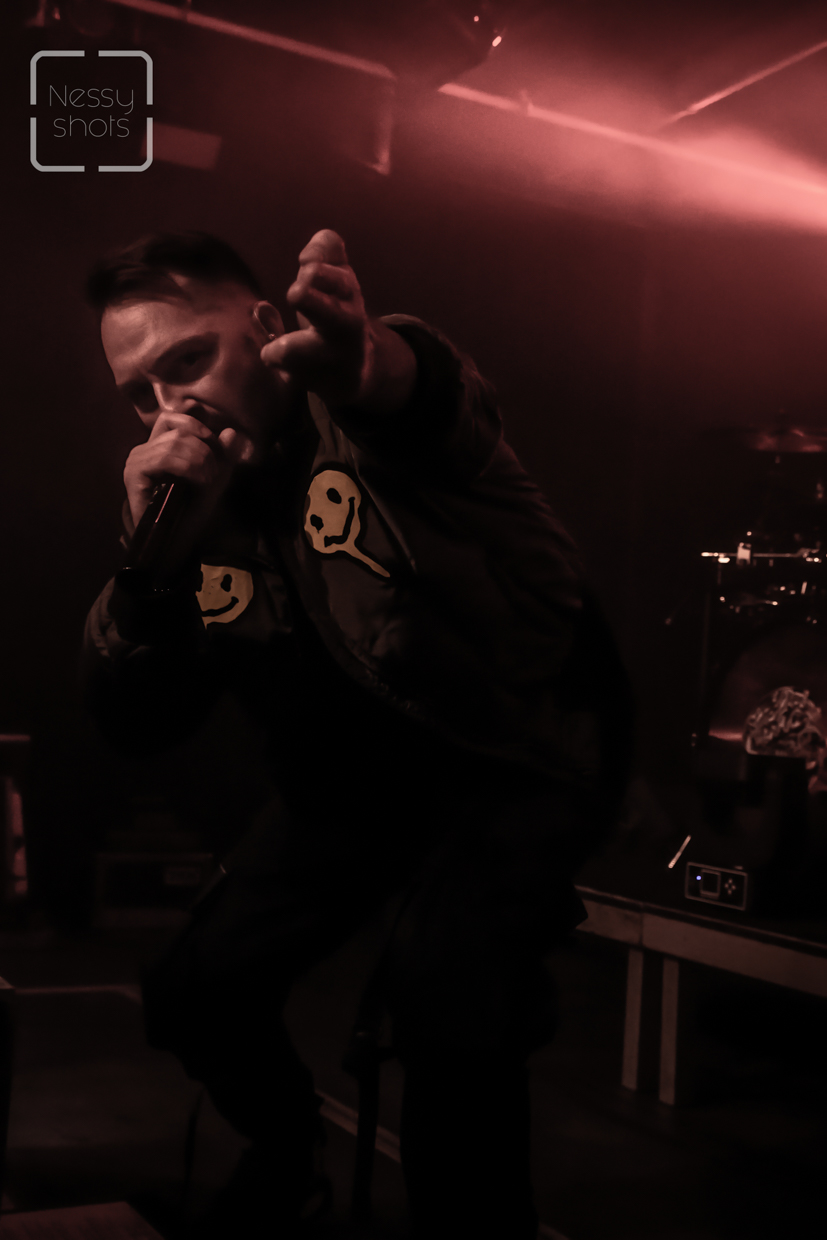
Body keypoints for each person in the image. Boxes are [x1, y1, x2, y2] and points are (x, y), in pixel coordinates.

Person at [82, 227, 633, 1238]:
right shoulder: (196, 513)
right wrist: (150, 572)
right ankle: (286, 1157)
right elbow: (137, 724)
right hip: (350, 784)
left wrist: (366, 361)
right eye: (141, 394)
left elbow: (424, 392)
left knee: (448, 1003)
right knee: (195, 986)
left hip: (511, 757)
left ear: (266, 327)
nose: (171, 407)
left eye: (188, 360)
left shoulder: (371, 418)